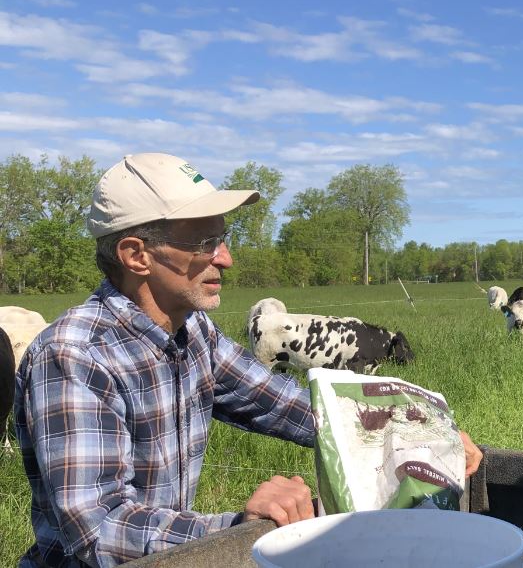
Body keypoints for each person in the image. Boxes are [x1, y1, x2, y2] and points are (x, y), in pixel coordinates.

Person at [13, 152, 483, 567]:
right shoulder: (75, 355)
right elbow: (99, 529)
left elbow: (292, 407)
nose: (227, 258)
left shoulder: (192, 332)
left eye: (222, 237)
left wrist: (420, 430)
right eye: (203, 243)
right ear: (136, 255)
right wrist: (241, 525)